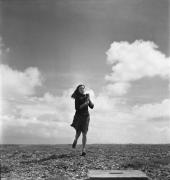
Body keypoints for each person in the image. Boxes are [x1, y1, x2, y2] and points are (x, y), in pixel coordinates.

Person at [70, 84, 94, 156]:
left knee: (84, 133)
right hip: (79, 116)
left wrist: (89, 99)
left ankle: (83, 150)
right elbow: (77, 108)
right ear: (78, 90)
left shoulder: (86, 96)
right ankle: (75, 140)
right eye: (80, 88)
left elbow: (92, 106)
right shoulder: (77, 98)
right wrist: (85, 103)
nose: (82, 89)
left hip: (86, 117)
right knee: (78, 133)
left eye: (83, 88)